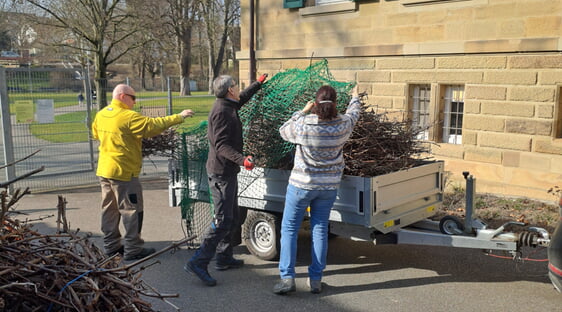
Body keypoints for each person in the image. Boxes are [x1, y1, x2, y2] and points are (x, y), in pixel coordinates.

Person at [273, 84, 361, 295]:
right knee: (319, 229)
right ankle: (315, 280)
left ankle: (287, 279)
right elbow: (354, 113)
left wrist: (301, 111)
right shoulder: (343, 124)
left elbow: (283, 130)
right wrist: (356, 97)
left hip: (301, 186)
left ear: (315, 103)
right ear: (334, 104)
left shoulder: (304, 124)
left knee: (289, 230)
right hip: (328, 187)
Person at [92, 84, 194, 261]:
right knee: (132, 210)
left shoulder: (101, 114)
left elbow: (96, 135)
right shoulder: (128, 116)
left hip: (105, 170)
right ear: (123, 96)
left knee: (109, 209)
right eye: (133, 98)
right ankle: (133, 248)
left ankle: (111, 247)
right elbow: (153, 126)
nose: (135, 101)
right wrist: (179, 117)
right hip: (124, 172)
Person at [185, 73, 268, 286]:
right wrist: (243, 160)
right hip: (221, 173)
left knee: (231, 216)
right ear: (230, 89)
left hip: (227, 172)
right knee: (223, 221)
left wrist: (257, 84)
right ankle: (198, 262)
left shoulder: (227, 104)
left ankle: (223, 257)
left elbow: (242, 99)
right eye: (236, 85)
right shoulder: (222, 112)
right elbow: (221, 145)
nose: (238, 88)